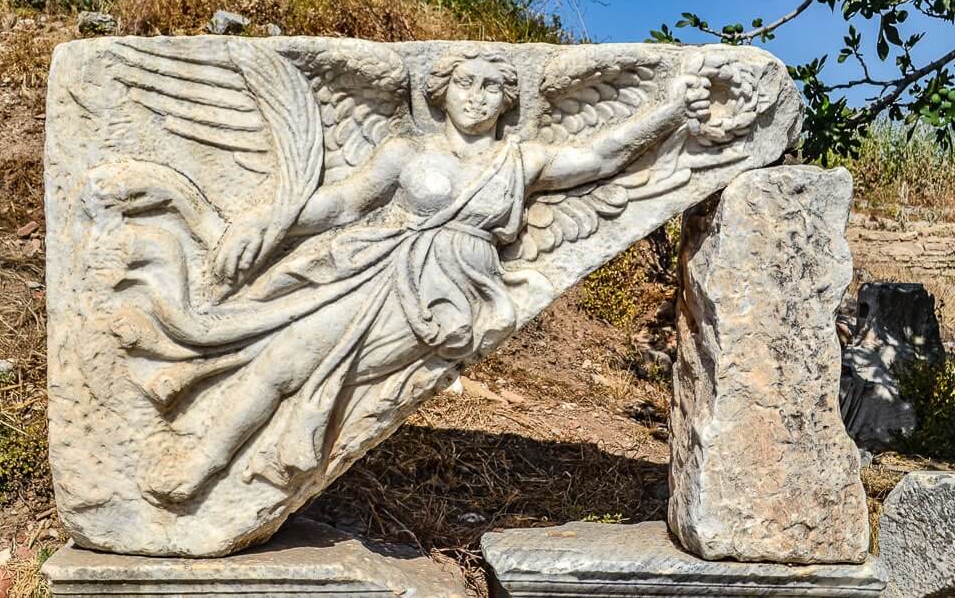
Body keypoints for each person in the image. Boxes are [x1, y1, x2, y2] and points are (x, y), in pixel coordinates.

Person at [126, 46, 699, 502]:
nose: (477, 97)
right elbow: (345, 204)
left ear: (507, 101)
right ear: (442, 91)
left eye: (493, 86)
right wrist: (273, 222)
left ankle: (232, 467)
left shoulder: (519, 162)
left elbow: (600, 157)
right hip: (375, 265)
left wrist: (673, 111)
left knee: (316, 364)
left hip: (451, 295)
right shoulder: (406, 151)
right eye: (465, 83)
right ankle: (202, 467)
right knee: (286, 356)